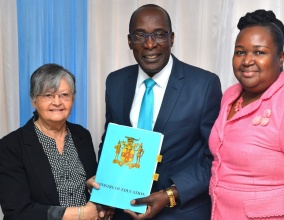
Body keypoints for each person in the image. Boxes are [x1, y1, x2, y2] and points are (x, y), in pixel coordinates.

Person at [97, 4, 222, 220]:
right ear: (129, 41)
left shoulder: (203, 85)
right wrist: (103, 184)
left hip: (181, 212)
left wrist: (170, 194)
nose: (150, 44)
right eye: (140, 35)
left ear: (171, 38)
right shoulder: (115, 82)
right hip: (124, 211)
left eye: (159, 34)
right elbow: (110, 143)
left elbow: (215, 158)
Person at [209, 9, 284, 219]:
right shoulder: (229, 96)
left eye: (259, 52)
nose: (247, 60)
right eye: (240, 52)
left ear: (280, 58)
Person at [0, 64, 107, 220]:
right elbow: (18, 211)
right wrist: (80, 214)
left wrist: (92, 188)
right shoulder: (11, 146)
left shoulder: (82, 135)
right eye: (48, 95)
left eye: (64, 95)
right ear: (34, 100)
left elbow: (90, 186)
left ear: (73, 98)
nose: (57, 102)